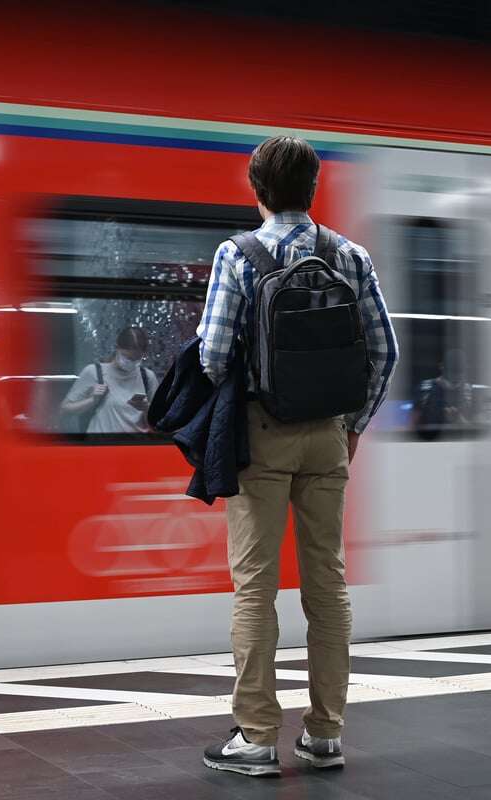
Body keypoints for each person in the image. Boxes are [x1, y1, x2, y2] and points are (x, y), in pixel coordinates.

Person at [197, 135, 397, 777]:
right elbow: (383, 351)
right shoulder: (350, 255)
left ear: (256, 189)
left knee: (255, 586)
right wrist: (354, 426)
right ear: (314, 189)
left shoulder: (239, 254)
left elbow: (213, 355)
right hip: (327, 437)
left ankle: (255, 736)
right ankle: (325, 733)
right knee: (328, 583)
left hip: (261, 434)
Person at [60, 326, 159, 434]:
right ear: (117, 348)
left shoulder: (148, 377)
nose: (131, 362)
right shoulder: (94, 372)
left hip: (137, 446)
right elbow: (64, 410)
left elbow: (159, 423)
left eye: (136, 359)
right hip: (101, 445)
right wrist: (92, 400)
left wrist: (146, 408)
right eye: (127, 357)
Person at [413, 348, 472, 439]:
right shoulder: (425, 390)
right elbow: (413, 427)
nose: (455, 374)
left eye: (459, 370)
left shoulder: (471, 393)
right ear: (442, 367)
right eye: (452, 369)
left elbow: (479, 430)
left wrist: (459, 419)